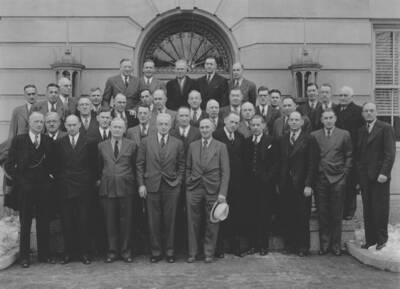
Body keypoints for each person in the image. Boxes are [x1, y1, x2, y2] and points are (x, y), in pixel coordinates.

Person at [5, 112, 55, 268]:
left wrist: (50, 179)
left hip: (44, 188)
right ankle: (25, 257)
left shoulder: (48, 140)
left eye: (42, 122)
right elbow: (9, 164)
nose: (40, 124)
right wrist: (20, 180)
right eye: (36, 122)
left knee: (43, 221)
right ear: (29, 124)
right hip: (25, 188)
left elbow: (54, 163)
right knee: (25, 222)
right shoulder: (19, 140)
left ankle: (44, 255)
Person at [137, 113, 185, 263]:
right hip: (151, 186)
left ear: (170, 126)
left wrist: (178, 181)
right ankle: (156, 252)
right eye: (161, 124)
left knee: (170, 221)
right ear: (156, 125)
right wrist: (141, 184)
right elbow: (139, 165)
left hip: (171, 187)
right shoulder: (146, 142)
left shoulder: (178, 143)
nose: (163, 126)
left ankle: (170, 252)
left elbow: (182, 165)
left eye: (166, 124)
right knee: (153, 221)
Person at [54, 115, 97, 265]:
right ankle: (68, 253)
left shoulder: (90, 142)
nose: (71, 128)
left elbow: (94, 166)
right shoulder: (60, 143)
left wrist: (87, 181)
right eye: (69, 125)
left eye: (74, 125)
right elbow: (57, 166)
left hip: (84, 187)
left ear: (80, 125)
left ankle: (84, 252)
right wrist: (62, 180)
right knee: (67, 221)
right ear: (65, 126)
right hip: (65, 188)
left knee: (84, 220)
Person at [186, 118, 230, 263]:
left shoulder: (221, 146)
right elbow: (187, 167)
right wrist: (188, 182)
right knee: (193, 222)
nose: (204, 130)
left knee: (212, 221)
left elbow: (226, 172)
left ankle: (208, 253)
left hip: (213, 189)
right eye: (202, 127)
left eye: (207, 127)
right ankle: (193, 252)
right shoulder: (193, 146)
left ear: (213, 128)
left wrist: (222, 193)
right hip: (194, 188)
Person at [311, 109, 353, 256]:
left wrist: (345, 174)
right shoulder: (314, 135)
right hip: (321, 178)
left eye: (331, 118)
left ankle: (336, 245)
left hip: (338, 178)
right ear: (322, 120)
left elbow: (349, 155)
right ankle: (324, 244)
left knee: (336, 212)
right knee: (323, 212)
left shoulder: (344, 134)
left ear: (335, 119)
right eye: (325, 118)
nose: (328, 120)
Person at [98, 118, 138, 263]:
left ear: (125, 129)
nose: (117, 130)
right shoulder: (101, 146)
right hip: (107, 189)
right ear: (109, 128)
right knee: (110, 222)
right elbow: (98, 166)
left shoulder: (132, 145)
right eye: (114, 127)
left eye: (120, 127)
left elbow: (135, 166)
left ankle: (126, 252)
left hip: (126, 188)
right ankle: (112, 252)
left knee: (126, 222)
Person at [357, 103, 395, 250]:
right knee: (368, 209)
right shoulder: (361, 130)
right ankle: (370, 239)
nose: (368, 113)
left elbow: (390, 153)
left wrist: (384, 173)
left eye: (371, 111)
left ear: (376, 112)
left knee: (380, 208)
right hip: (365, 177)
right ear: (362, 114)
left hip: (380, 176)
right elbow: (359, 155)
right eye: (366, 111)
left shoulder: (385, 128)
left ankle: (381, 239)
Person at [278, 111, 315, 256]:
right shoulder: (283, 139)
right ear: (288, 122)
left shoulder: (309, 139)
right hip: (286, 184)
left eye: (296, 120)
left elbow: (312, 163)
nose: (293, 122)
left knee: (302, 216)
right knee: (288, 215)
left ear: (301, 122)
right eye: (291, 120)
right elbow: (281, 162)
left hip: (301, 184)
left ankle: (303, 247)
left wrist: (309, 184)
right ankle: (289, 245)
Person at [213, 112, 246, 257]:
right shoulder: (217, 135)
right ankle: (219, 248)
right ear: (225, 121)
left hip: (237, 183)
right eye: (231, 122)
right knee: (219, 214)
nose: (234, 125)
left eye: (237, 123)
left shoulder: (240, 137)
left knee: (236, 214)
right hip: (221, 182)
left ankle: (235, 246)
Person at [243, 115, 278, 256]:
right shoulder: (247, 142)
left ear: (263, 126)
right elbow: (245, 162)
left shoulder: (271, 141)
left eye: (258, 125)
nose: (255, 127)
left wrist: (267, 178)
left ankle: (264, 245)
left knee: (264, 214)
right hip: (250, 185)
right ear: (250, 127)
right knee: (251, 214)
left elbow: (275, 162)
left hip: (265, 185)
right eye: (253, 125)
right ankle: (252, 245)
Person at [170, 107, 201, 253]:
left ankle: (193, 247)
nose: (183, 118)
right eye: (181, 115)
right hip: (174, 180)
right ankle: (177, 247)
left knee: (192, 215)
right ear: (177, 118)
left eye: (186, 115)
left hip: (193, 179)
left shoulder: (197, 132)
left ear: (190, 117)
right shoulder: (171, 132)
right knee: (175, 214)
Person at [334, 86, 364, 220]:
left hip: (352, 151)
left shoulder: (358, 111)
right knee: (338, 183)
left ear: (351, 97)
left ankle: (349, 211)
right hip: (335, 151)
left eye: (345, 95)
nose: (343, 98)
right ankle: (339, 210)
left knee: (350, 182)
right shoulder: (334, 110)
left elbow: (361, 134)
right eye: (340, 95)